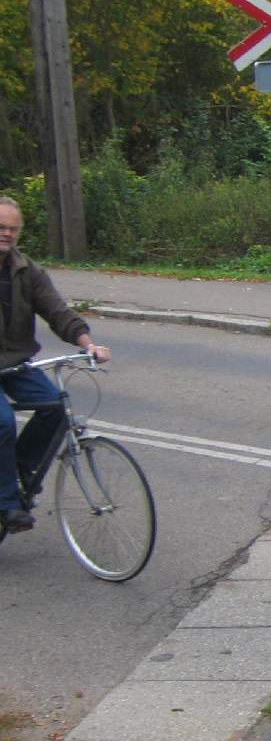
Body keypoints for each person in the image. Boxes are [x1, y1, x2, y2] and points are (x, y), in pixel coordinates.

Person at [0, 197, 111, 532]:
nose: (6, 233)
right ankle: (6, 505)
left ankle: (16, 467)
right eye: (1, 227)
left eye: (12, 229)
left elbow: (57, 312)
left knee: (55, 407)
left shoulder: (26, 270)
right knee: (2, 423)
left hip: (16, 362)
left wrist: (88, 344)